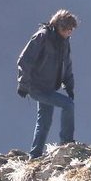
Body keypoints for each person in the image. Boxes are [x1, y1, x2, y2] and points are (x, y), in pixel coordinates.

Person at [16, 10, 78, 157]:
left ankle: (35, 155)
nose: (69, 33)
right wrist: (23, 85)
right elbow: (24, 60)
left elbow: (66, 65)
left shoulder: (64, 41)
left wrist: (69, 85)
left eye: (71, 30)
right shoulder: (42, 36)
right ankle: (67, 142)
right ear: (58, 26)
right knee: (68, 105)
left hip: (49, 87)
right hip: (36, 87)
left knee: (44, 120)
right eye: (67, 29)